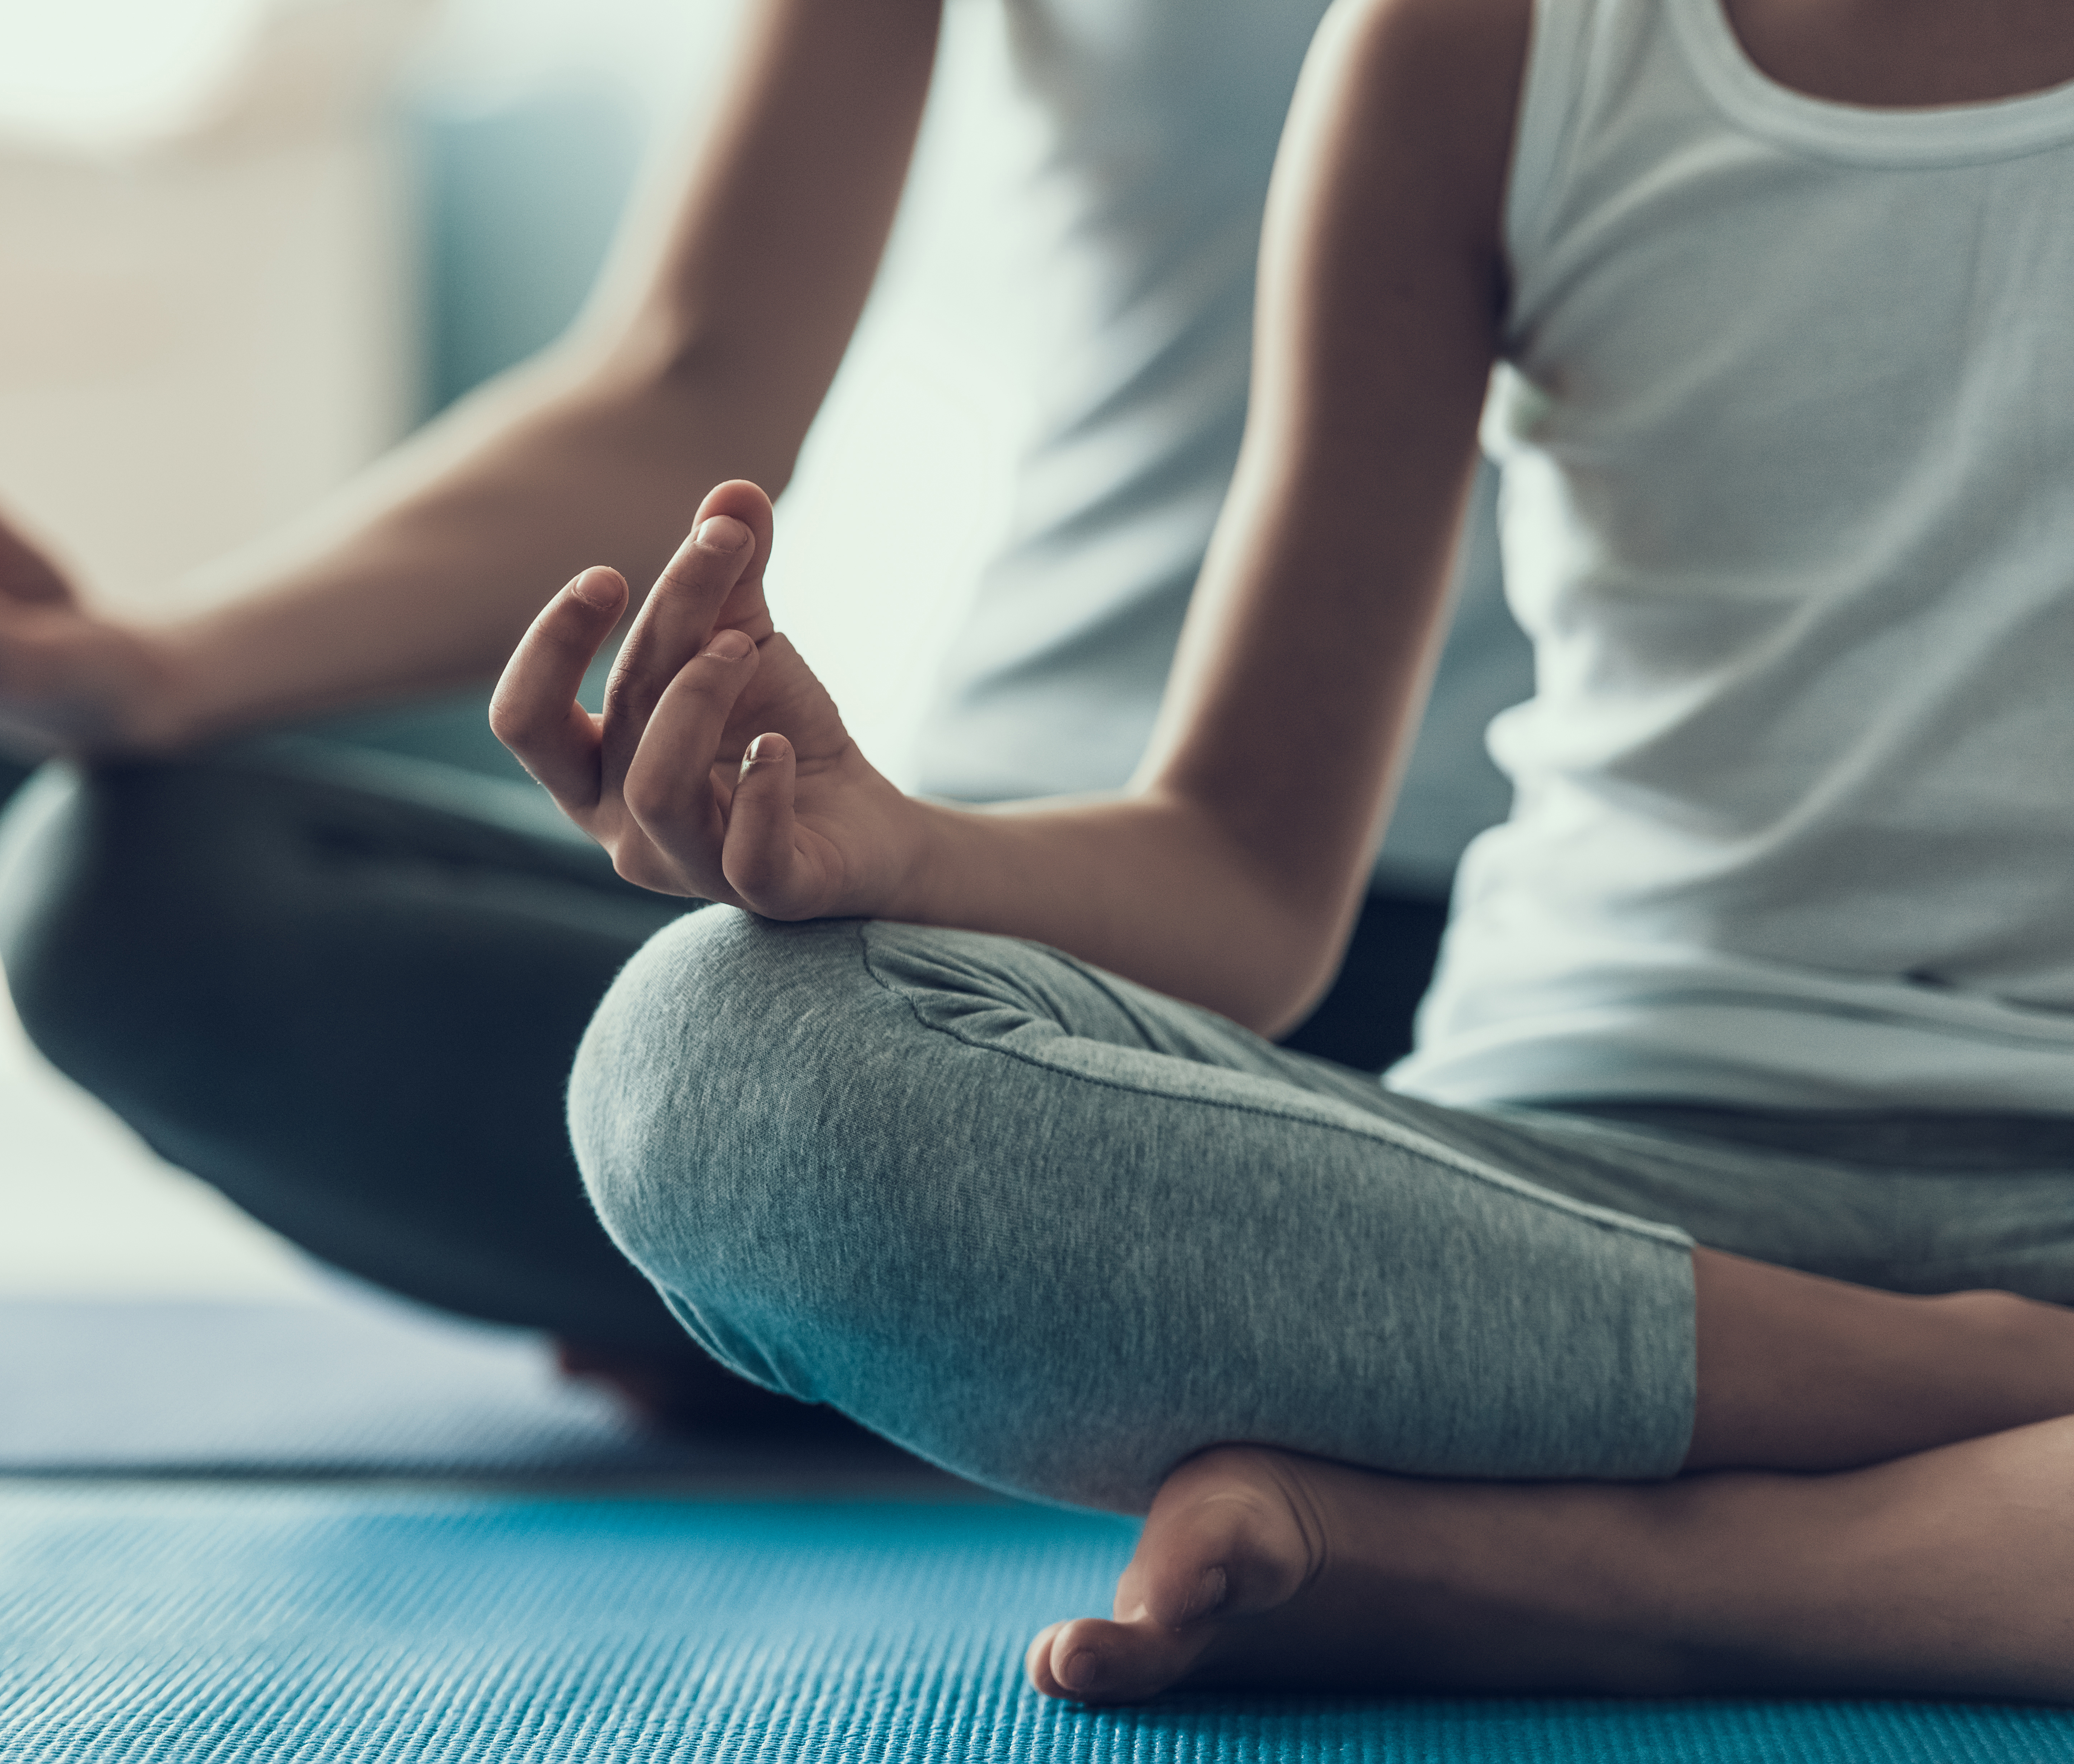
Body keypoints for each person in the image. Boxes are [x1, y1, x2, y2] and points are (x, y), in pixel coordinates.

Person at [491, 0, 2074, 1704]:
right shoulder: (1478, 48)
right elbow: (1242, 879)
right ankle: (1976, 1405)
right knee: (716, 1061)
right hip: (1558, 1209)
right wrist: (891, 843)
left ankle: (1580, 1568)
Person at [0, 0, 1529, 1426]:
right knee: (131, 882)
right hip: (984, 910)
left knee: (1664, 1155)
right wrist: (143, 665)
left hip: (1510, 960)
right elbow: (691, 378)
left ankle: (876, 1322)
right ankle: (984, 1317)